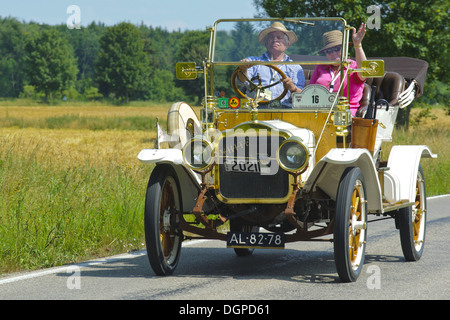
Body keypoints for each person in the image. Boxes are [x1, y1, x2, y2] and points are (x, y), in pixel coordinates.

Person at [237, 22, 305, 107]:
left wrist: (292, 88)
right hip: (257, 110)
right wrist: (243, 69)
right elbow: (242, 82)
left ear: (287, 45)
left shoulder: (295, 67)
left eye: (279, 37)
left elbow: (302, 97)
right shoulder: (253, 61)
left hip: (284, 111)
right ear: (266, 43)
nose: (274, 40)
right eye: (271, 37)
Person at [309, 23, 367, 116]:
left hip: (344, 113)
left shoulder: (353, 66)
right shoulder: (320, 67)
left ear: (345, 48)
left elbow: (364, 71)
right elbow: (309, 91)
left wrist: (358, 45)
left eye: (337, 49)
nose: (333, 53)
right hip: (319, 112)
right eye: (329, 51)